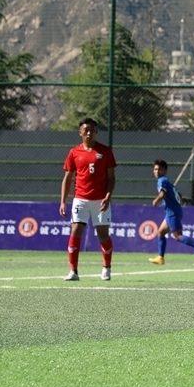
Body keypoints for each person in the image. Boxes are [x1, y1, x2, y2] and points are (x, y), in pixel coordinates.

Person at [59, 118, 117, 281]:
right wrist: (63, 201)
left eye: (92, 130)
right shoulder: (74, 152)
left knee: (103, 235)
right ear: (80, 132)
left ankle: (106, 267)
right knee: (75, 231)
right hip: (80, 199)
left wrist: (107, 196)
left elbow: (111, 178)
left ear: (96, 132)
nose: (89, 133)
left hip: (100, 200)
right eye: (86, 130)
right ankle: (73, 271)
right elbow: (67, 178)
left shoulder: (105, 151)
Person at [148, 159, 194, 264]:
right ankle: (160, 257)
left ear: (165, 171)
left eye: (160, 169)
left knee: (177, 236)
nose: (157, 171)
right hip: (173, 211)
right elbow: (179, 195)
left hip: (172, 212)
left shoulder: (161, 180)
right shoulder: (168, 181)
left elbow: (163, 194)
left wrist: (156, 200)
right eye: (155, 169)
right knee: (161, 232)